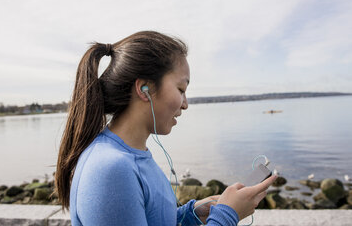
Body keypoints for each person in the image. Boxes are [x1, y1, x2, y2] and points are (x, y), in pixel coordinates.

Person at [54, 31, 277, 226]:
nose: (185, 103)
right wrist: (227, 216)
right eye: (181, 89)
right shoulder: (110, 168)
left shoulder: (129, 156)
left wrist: (191, 214)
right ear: (145, 89)